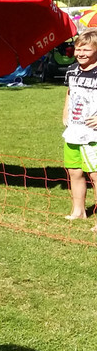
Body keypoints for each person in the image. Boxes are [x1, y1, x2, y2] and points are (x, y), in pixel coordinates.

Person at [62, 28, 97, 223]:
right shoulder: (72, 70)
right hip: (74, 130)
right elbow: (70, 91)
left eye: (86, 50)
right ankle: (79, 211)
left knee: (95, 175)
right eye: (78, 49)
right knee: (74, 171)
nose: (81, 53)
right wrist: (65, 111)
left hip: (93, 133)